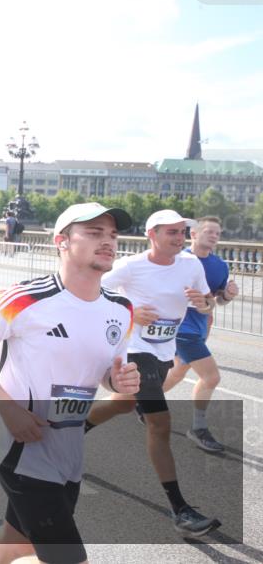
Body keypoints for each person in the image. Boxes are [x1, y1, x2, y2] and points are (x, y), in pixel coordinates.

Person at [0, 202, 139, 564]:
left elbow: (104, 370)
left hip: (68, 442)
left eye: (113, 235)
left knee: (17, 539)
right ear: (62, 242)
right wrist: (9, 411)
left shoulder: (121, 308)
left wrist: (117, 379)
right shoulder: (25, 297)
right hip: (20, 442)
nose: (108, 242)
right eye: (94, 232)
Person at [85, 210, 219, 537]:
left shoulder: (191, 264)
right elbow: (90, 292)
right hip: (134, 350)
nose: (179, 237)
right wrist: (129, 310)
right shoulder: (132, 266)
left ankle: (64, 433)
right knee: (159, 423)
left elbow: (206, 305)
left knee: (122, 404)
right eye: (171, 232)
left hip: (163, 352)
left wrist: (203, 303)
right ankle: (181, 511)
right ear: (152, 235)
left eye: (181, 232)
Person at [162, 215, 239, 452]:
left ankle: (141, 401)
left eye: (218, 233)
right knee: (211, 377)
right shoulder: (177, 260)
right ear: (193, 234)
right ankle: (198, 428)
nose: (214, 236)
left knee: (177, 373)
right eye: (209, 232)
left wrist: (227, 296)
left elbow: (214, 300)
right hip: (180, 328)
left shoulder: (219, 265)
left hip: (200, 327)